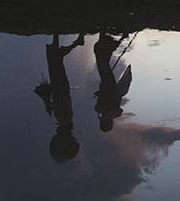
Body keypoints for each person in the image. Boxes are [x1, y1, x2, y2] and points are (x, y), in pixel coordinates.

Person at [35, 33, 85, 162]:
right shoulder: (65, 118)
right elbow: (64, 101)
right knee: (55, 60)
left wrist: (49, 102)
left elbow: (61, 102)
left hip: (60, 87)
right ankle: (73, 42)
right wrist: (50, 102)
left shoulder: (65, 119)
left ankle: (57, 37)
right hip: (61, 87)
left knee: (55, 60)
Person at [94, 32, 133, 132]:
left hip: (108, 86)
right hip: (109, 86)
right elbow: (118, 110)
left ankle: (107, 40)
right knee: (103, 65)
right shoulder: (104, 111)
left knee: (103, 65)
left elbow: (104, 100)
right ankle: (109, 40)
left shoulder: (101, 111)